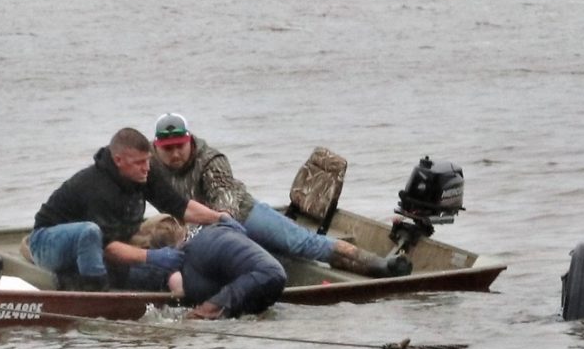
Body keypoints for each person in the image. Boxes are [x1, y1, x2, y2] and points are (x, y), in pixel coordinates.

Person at [29, 127, 286, 318]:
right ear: (119, 161)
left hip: (104, 245)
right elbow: (107, 246)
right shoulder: (96, 188)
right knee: (90, 233)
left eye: (148, 161)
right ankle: (94, 297)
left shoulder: (144, 174)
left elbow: (180, 207)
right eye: (139, 163)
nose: (146, 168)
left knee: (159, 265)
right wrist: (152, 257)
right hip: (49, 242)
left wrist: (219, 216)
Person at [150, 113, 411, 277]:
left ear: (190, 141)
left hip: (242, 214)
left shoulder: (211, 160)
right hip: (197, 230)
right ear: (156, 147)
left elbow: (225, 201)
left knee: (302, 244)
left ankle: (378, 264)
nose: (175, 154)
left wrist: (216, 226)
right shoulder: (148, 165)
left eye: (179, 147)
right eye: (168, 149)